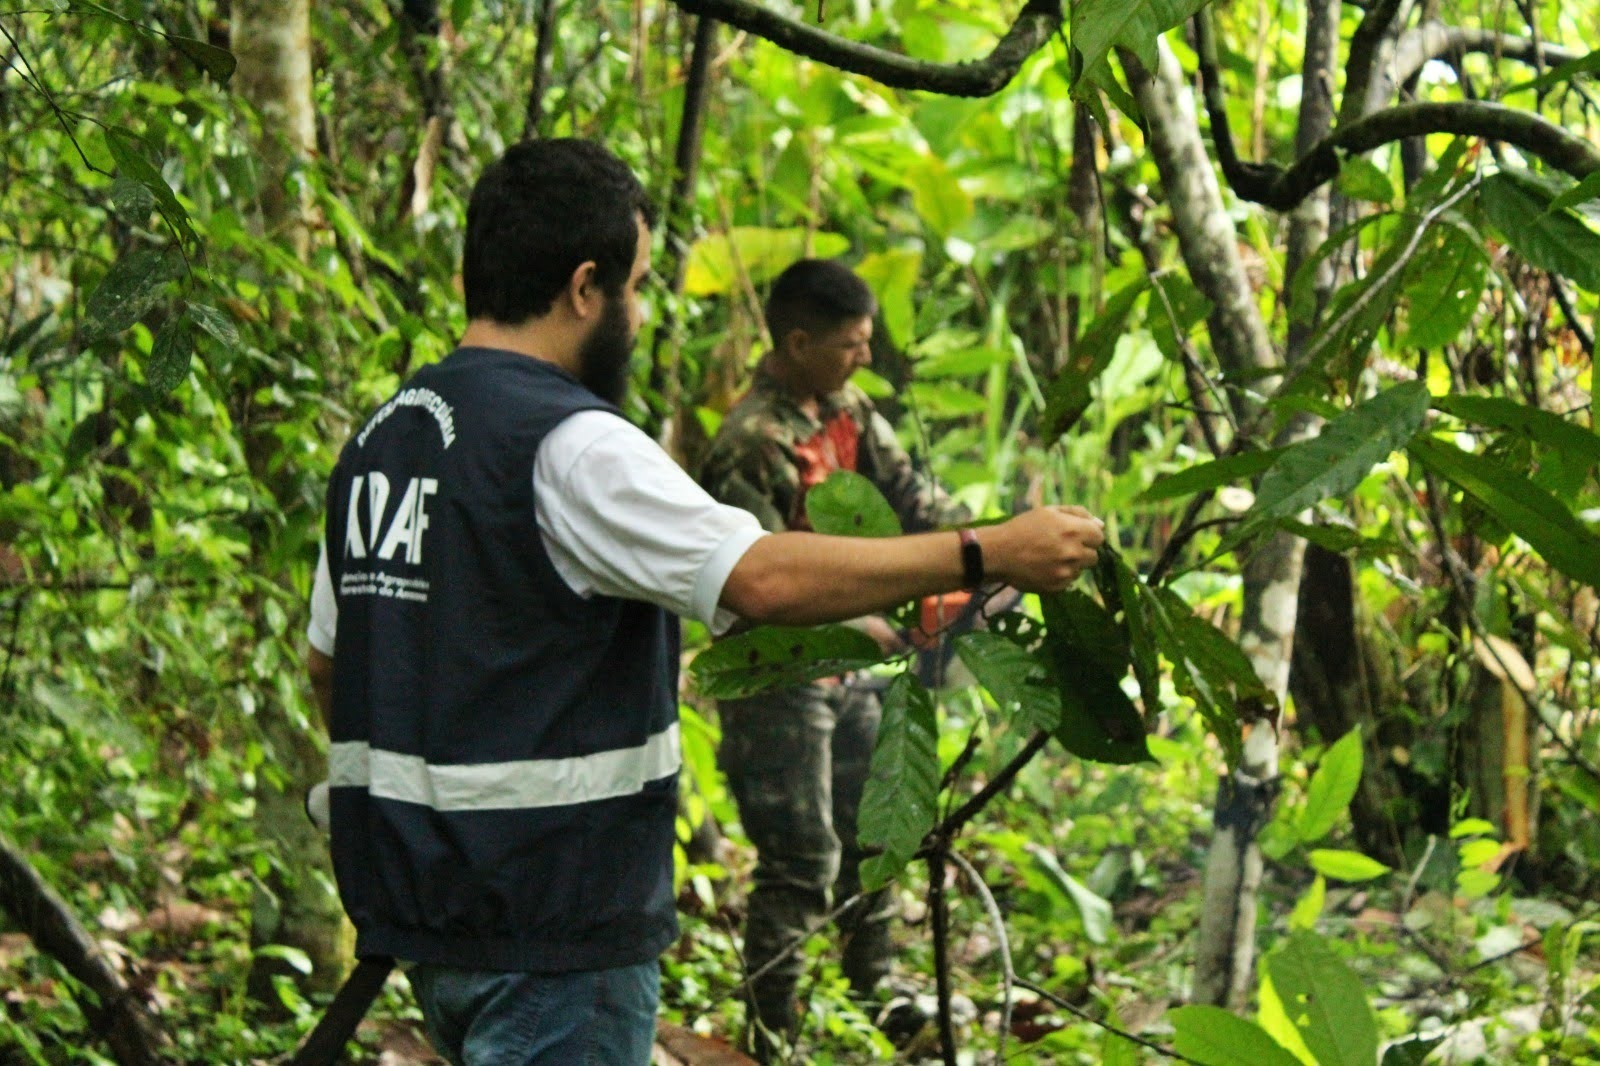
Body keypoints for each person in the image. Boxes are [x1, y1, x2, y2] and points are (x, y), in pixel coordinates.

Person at [304, 138, 1105, 1066]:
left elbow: (331, 666)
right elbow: (759, 577)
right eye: (637, 286)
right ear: (584, 287)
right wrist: (986, 551)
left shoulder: (384, 439)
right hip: (556, 930)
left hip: (435, 927)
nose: (640, 315)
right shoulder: (572, 446)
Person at [696, 259, 971, 1056]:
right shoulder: (751, 443)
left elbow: (913, 497)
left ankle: (871, 993)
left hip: (856, 665)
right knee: (799, 857)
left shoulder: (844, 410)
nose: (865, 357)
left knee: (871, 833)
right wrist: (865, 616)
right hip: (778, 676)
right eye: (851, 344)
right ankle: (770, 1035)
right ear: (798, 341)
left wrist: (986, 551)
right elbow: (754, 583)